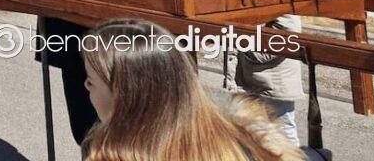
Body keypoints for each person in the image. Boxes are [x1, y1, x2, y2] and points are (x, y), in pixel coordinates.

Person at [81, 18, 304, 160]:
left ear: (128, 95)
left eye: (91, 80)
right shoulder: (244, 144)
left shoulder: (113, 155)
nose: (85, 86)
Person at [228, 14, 303, 145]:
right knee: (251, 132)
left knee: (283, 136)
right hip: (251, 76)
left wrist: (246, 48)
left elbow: (288, 32)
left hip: (275, 81)